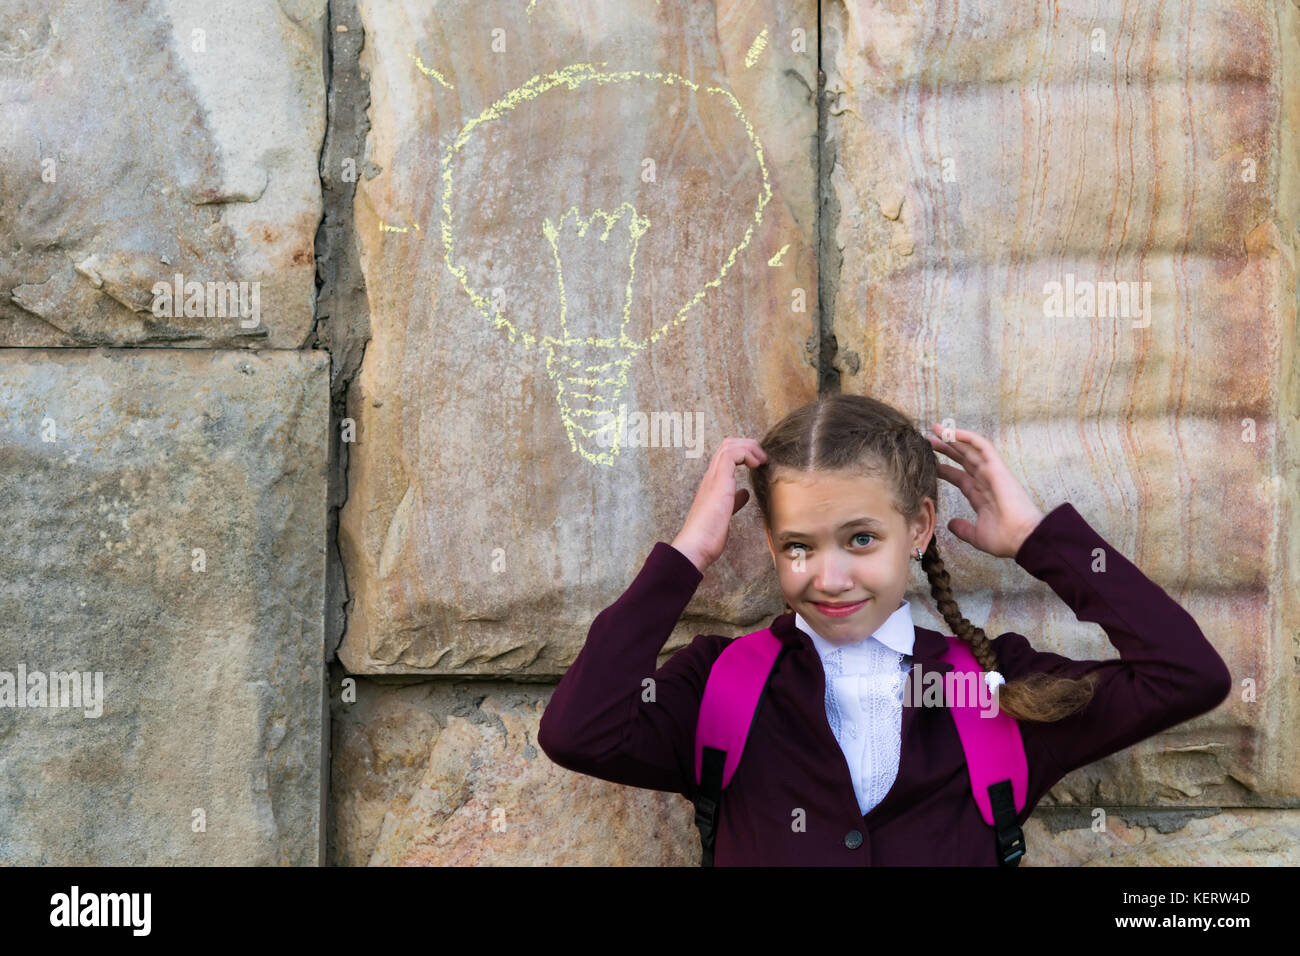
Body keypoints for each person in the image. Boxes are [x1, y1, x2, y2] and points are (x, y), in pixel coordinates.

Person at [537, 394, 1232, 864]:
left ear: (920, 528)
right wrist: (687, 556)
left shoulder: (995, 687)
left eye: (862, 538)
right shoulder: (719, 688)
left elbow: (1187, 674)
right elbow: (577, 731)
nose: (830, 577)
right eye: (799, 546)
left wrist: (1036, 539)